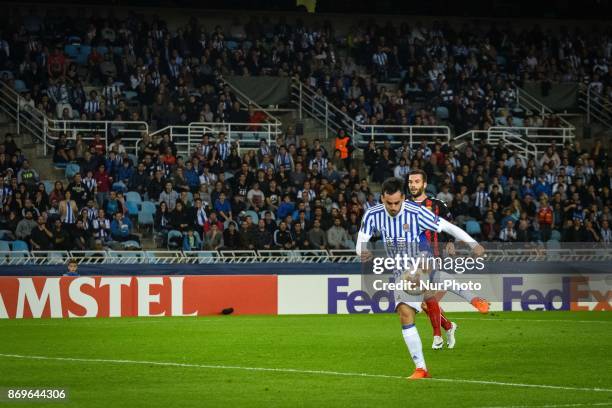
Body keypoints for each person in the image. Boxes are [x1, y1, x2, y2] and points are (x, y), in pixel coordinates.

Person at [356, 177, 485, 379]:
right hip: (399, 269)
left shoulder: (415, 212)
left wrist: (473, 243)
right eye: (388, 203)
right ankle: (421, 369)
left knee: (423, 277)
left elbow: (447, 226)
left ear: (404, 198)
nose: (392, 207)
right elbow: (362, 239)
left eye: (397, 203)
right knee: (406, 314)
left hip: (421, 258)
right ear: (382, 198)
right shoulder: (372, 215)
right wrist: (361, 251)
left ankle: (470, 300)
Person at [408, 169, 490, 350]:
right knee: (425, 302)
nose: (413, 184)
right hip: (412, 258)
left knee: (426, 296)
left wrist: (452, 241)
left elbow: (450, 226)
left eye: (416, 181)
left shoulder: (437, 204)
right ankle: (449, 325)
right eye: (410, 181)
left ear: (424, 184)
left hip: (432, 254)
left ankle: (438, 335)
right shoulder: (404, 206)